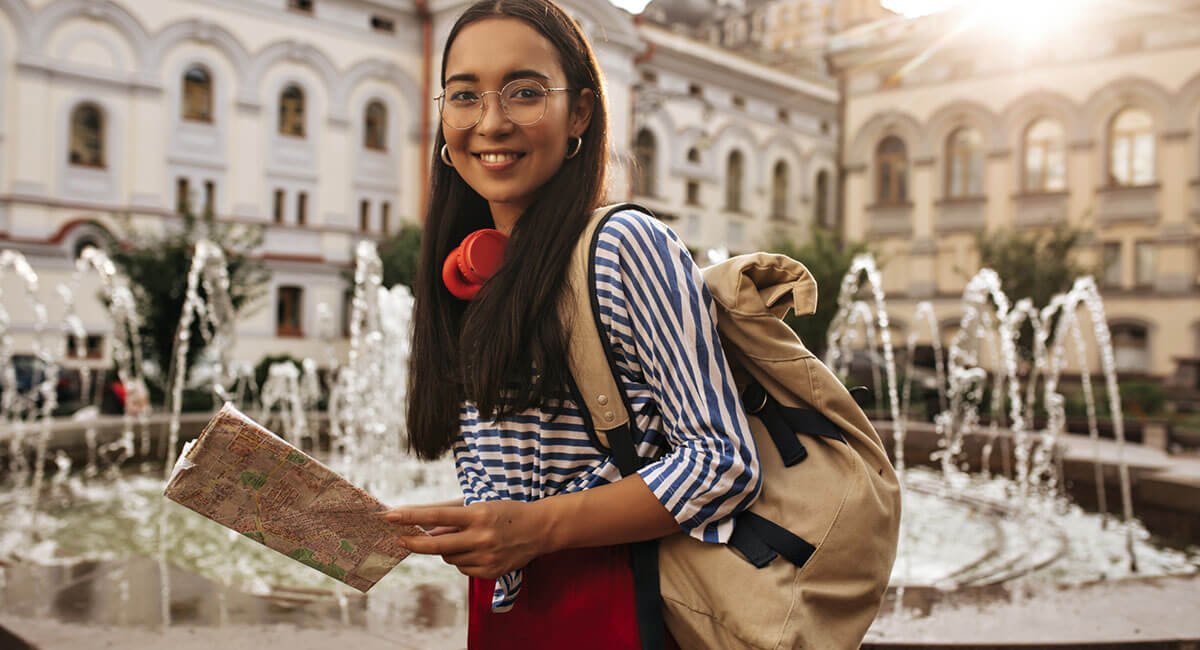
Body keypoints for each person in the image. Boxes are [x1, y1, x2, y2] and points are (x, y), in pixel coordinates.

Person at [383, 1, 762, 648]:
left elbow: (723, 463)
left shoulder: (624, 245)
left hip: (610, 608)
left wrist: (533, 528)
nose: (491, 122)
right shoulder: (475, 265)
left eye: (525, 92)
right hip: (508, 610)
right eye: (464, 95)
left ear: (580, 111)